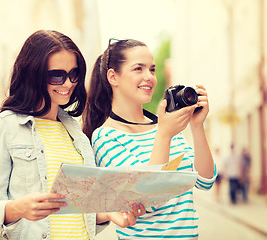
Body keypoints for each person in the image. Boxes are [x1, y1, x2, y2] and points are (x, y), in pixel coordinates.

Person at [0, 30, 145, 240]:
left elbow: (77, 209)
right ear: (34, 74)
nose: (68, 84)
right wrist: (17, 208)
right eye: (57, 75)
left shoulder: (77, 135)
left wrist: (108, 214)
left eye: (73, 74)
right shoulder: (7, 125)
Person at [82, 38, 216, 239]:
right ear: (113, 77)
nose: (150, 77)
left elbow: (205, 181)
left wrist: (197, 126)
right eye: (138, 69)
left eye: (152, 70)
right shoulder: (106, 136)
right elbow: (144, 201)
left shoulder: (165, 126)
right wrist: (164, 135)